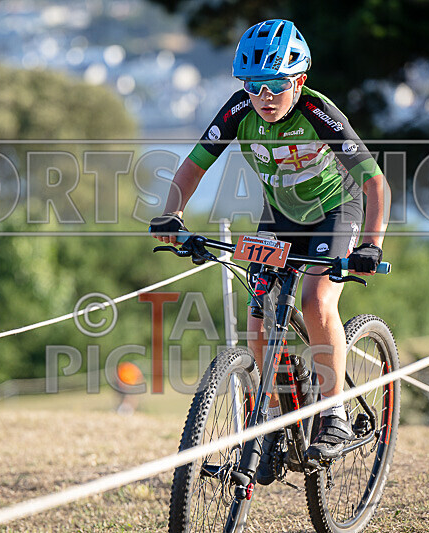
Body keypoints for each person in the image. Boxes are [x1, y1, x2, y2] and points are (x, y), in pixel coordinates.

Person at [149, 19, 389, 483]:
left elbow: (376, 184)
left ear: (299, 81)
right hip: (279, 218)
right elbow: (194, 167)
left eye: (276, 85)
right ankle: (277, 422)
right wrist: (172, 216)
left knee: (316, 301)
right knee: (258, 322)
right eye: (253, 85)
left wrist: (371, 245)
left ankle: (334, 413)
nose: (264, 96)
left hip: (335, 210)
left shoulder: (319, 113)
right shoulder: (239, 110)